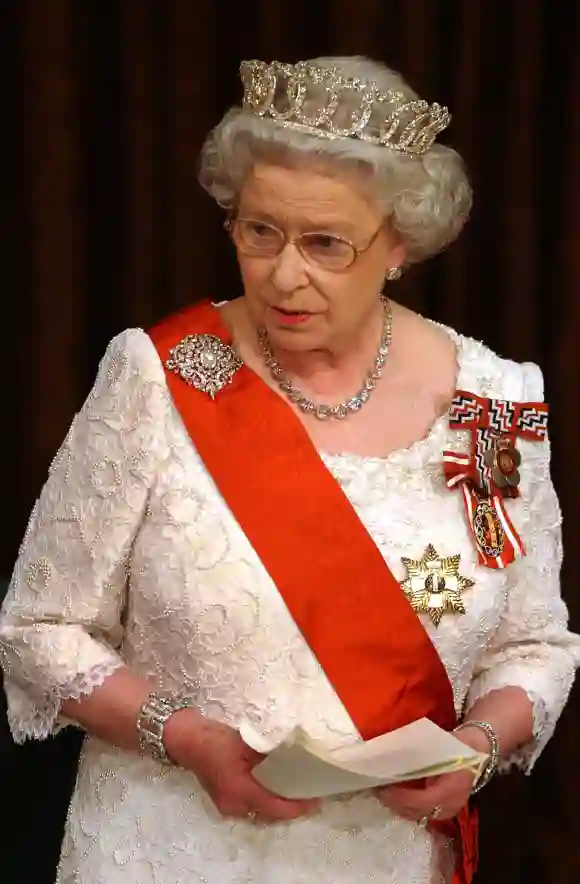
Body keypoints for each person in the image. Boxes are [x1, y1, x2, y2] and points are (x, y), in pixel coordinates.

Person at [1, 55, 578, 884]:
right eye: (258, 230)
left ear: (400, 244)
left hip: (384, 858)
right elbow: (38, 630)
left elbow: (535, 643)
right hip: (170, 846)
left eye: (326, 244)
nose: (283, 273)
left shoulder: (492, 402)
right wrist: (186, 736)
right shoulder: (158, 376)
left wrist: (480, 747)